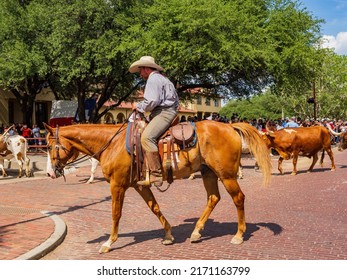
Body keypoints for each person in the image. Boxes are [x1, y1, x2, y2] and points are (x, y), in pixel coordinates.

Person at [129, 56, 179, 187]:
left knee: (147, 137)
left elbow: (151, 102)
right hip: (163, 111)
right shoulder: (161, 78)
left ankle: (156, 174)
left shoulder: (153, 78)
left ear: (146, 68)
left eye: (140, 70)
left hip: (164, 112)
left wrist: (137, 106)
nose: (140, 74)